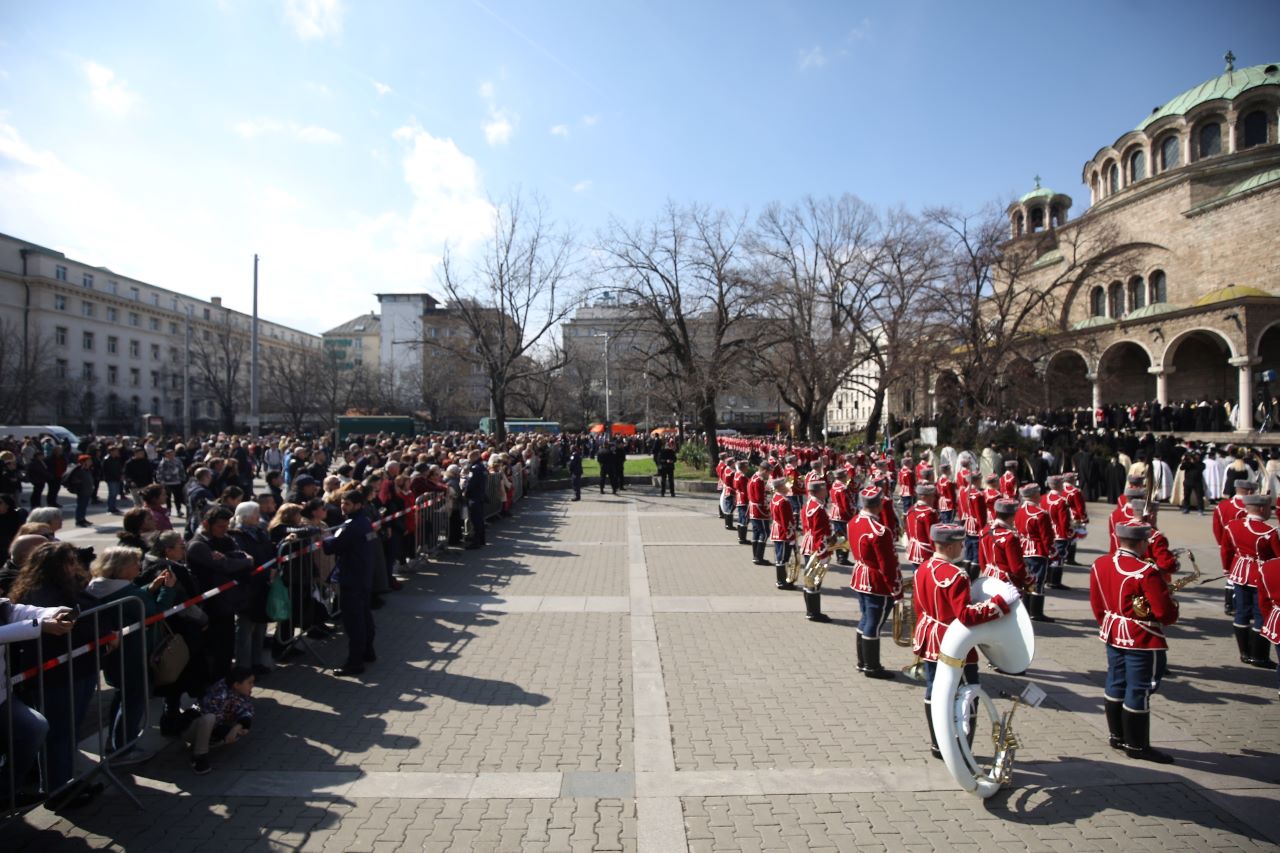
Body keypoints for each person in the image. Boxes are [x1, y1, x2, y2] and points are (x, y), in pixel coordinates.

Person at [913, 523, 1019, 759]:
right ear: (950, 546)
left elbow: (919, 607)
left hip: (930, 639)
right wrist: (999, 604)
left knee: (934, 690)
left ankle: (938, 744)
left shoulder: (923, 567)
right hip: (953, 645)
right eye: (960, 543)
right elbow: (966, 616)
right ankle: (960, 748)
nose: (963, 546)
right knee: (968, 694)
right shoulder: (956, 575)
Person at [1089, 522, 1177, 763]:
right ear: (1142, 542)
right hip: (1141, 637)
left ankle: (1117, 736)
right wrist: (1171, 600)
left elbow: (1097, 603)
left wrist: (1106, 624)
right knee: (1139, 688)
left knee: (1116, 681)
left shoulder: (1100, 564)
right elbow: (1164, 614)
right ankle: (1137, 745)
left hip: (1112, 631)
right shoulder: (1146, 572)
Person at [85, 546, 177, 762]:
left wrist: (150, 588)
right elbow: (154, 612)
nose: (139, 567)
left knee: (122, 695)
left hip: (117, 653)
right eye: (135, 563)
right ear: (122, 568)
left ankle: (115, 742)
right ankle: (124, 746)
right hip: (135, 652)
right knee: (134, 699)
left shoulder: (98, 587)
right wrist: (168, 589)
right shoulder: (128, 593)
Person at [187, 506, 256, 680]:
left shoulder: (225, 539)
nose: (224, 530)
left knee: (226, 645)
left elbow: (242, 557)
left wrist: (240, 559)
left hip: (227, 603)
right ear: (206, 524)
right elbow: (224, 565)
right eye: (220, 526)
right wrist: (239, 561)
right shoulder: (198, 545)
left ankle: (225, 682)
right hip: (208, 605)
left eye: (226, 526)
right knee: (213, 649)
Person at [1221, 493, 1280, 668]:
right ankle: (1259, 655)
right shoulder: (1268, 532)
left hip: (1239, 573)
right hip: (1260, 576)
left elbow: (1226, 550)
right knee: (1261, 613)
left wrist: (1227, 569)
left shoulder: (1232, 526)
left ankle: (1244, 652)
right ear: (1262, 508)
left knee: (1241, 612)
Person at [849, 485, 900, 679]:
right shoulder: (880, 531)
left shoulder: (853, 521)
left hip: (860, 575)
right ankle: (872, 666)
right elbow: (887, 565)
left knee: (865, 619)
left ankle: (863, 662)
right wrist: (896, 590)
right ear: (879, 505)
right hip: (875, 581)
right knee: (874, 622)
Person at [323, 489, 376, 676]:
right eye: (342, 503)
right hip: (363, 576)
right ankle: (368, 652)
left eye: (347, 504)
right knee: (364, 616)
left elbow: (332, 547)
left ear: (358, 505)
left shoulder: (351, 526)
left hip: (351, 578)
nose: (343, 507)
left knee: (354, 622)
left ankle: (355, 662)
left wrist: (322, 538)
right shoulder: (365, 522)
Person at [184, 666, 255, 775]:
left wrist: (239, 727)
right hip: (191, 728)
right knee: (210, 718)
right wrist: (227, 731)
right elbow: (214, 717)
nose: (252, 686)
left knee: (234, 732)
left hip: (213, 726)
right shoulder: (219, 692)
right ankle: (198, 756)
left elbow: (247, 710)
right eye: (249, 683)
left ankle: (210, 740)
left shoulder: (240, 692)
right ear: (236, 685)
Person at [1015, 483, 1054, 622]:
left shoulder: (1018, 511)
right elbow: (1046, 537)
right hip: (1037, 551)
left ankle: (1026, 609)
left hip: (1022, 549)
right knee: (1038, 581)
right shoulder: (1040, 514)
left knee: (1027, 580)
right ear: (1035, 495)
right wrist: (1052, 551)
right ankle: (1036, 612)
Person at [799, 479, 834, 623]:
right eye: (824, 489)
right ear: (817, 491)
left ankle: (810, 610)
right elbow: (819, 534)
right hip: (816, 547)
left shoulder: (808, 504)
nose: (826, 491)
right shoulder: (818, 509)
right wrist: (823, 554)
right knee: (814, 581)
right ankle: (814, 613)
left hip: (808, 544)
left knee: (810, 580)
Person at [768, 477, 795, 590]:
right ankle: (781, 581)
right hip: (782, 533)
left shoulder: (776, 498)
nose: (788, 486)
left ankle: (782, 580)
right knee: (783, 558)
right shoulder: (783, 501)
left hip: (777, 530)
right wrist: (790, 535)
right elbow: (786, 521)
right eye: (785, 485)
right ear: (780, 487)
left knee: (780, 557)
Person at [747, 462, 771, 566]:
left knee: (757, 532)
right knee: (764, 533)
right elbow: (759, 498)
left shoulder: (754, 477)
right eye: (769, 472)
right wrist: (769, 503)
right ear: (765, 471)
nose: (769, 475)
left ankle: (756, 556)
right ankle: (758, 557)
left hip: (754, 509)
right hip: (759, 509)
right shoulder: (759, 480)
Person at [464, 451, 488, 549]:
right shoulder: (482, 467)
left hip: (474, 496)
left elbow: (471, 483)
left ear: (474, 457)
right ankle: (482, 540)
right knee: (480, 519)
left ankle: (476, 542)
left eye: (469, 457)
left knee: (476, 520)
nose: (468, 459)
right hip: (480, 495)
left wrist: (465, 491)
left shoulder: (475, 468)